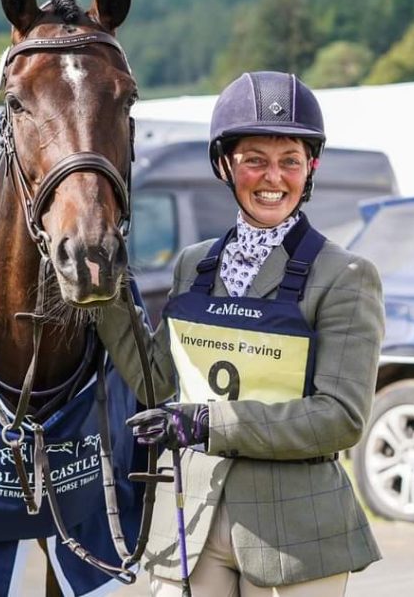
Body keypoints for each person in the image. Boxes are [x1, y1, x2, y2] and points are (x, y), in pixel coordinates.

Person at [98, 71, 384, 596]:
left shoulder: (344, 276)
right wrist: (107, 295)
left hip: (293, 535)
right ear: (226, 165)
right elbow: (162, 386)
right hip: (189, 522)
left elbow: (340, 418)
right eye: (255, 159)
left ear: (310, 167)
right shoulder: (194, 265)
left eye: (290, 161)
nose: (273, 177)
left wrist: (210, 423)